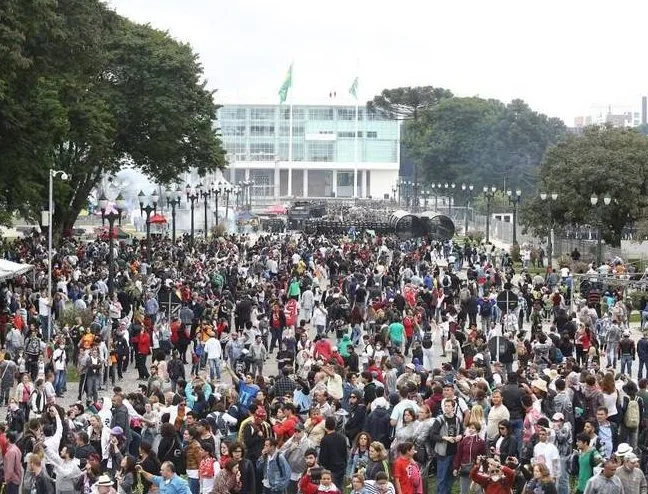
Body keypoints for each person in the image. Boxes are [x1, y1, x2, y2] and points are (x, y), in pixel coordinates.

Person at [319, 416, 348, 491]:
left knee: (330, 489)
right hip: (341, 467)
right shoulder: (342, 438)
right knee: (339, 488)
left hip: (330, 469)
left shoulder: (325, 440)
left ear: (326, 426)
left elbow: (322, 457)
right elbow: (345, 453)